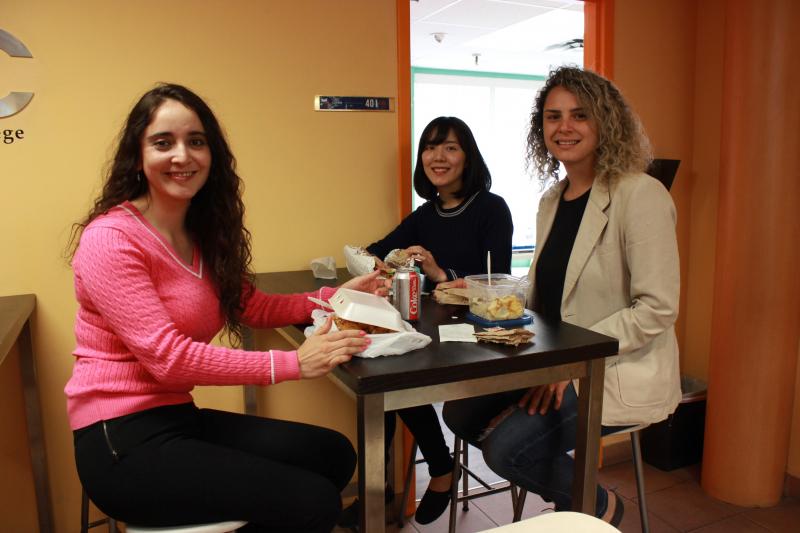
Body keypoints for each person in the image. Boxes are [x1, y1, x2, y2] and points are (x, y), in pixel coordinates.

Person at [65, 83, 388, 532]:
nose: (182, 155)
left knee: (332, 454)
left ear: (212, 154)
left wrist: (335, 297)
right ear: (137, 156)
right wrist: (291, 363)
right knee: (313, 502)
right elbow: (169, 359)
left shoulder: (200, 235)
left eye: (196, 141)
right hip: (119, 442)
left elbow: (250, 306)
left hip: (175, 417)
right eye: (163, 142)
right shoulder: (111, 239)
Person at [441, 66, 681, 526]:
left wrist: (573, 364)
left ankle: (596, 505)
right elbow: (549, 287)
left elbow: (657, 309)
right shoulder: (553, 199)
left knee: (505, 450)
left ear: (606, 122)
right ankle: (568, 493)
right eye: (553, 116)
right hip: (556, 361)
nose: (564, 127)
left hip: (612, 368)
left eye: (580, 115)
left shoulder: (640, 195)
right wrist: (480, 289)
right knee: (460, 412)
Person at [339, 116, 513, 527]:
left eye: (450, 147)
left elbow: (498, 282)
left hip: (478, 334)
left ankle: (433, 468)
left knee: (393, 377)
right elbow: (378, 249)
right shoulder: (425, 214)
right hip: (436, 331)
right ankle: (383, 489)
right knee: (379, 375)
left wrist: (438, 272)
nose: (438, 157)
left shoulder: (491, 208)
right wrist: (381, 264)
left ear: (468, 157)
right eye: (430, 148)